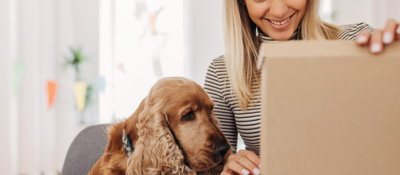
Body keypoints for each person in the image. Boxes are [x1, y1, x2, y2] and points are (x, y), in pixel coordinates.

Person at [203, 0, 400, 175]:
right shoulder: (222, 73)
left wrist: (390, 63)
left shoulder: (355, 42)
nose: (279, 11)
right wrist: (230, 170)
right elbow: (216, 168)